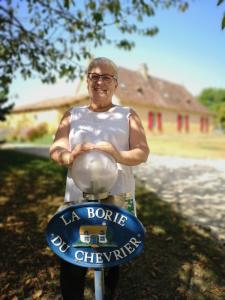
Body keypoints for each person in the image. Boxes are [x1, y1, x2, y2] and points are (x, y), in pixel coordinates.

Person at [49, 57, 150, 300]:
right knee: (73, 257)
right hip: (78, 200)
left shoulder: (128, 115)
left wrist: (117, 154)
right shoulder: (72, 115)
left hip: (117, 199)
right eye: (94, 76)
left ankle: (108, 294)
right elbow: (56, 150)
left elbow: (142, 152)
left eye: (106, 77)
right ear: (87, 81)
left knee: (111, 257)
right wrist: (69, 155)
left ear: (116, 84)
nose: (100, 82)